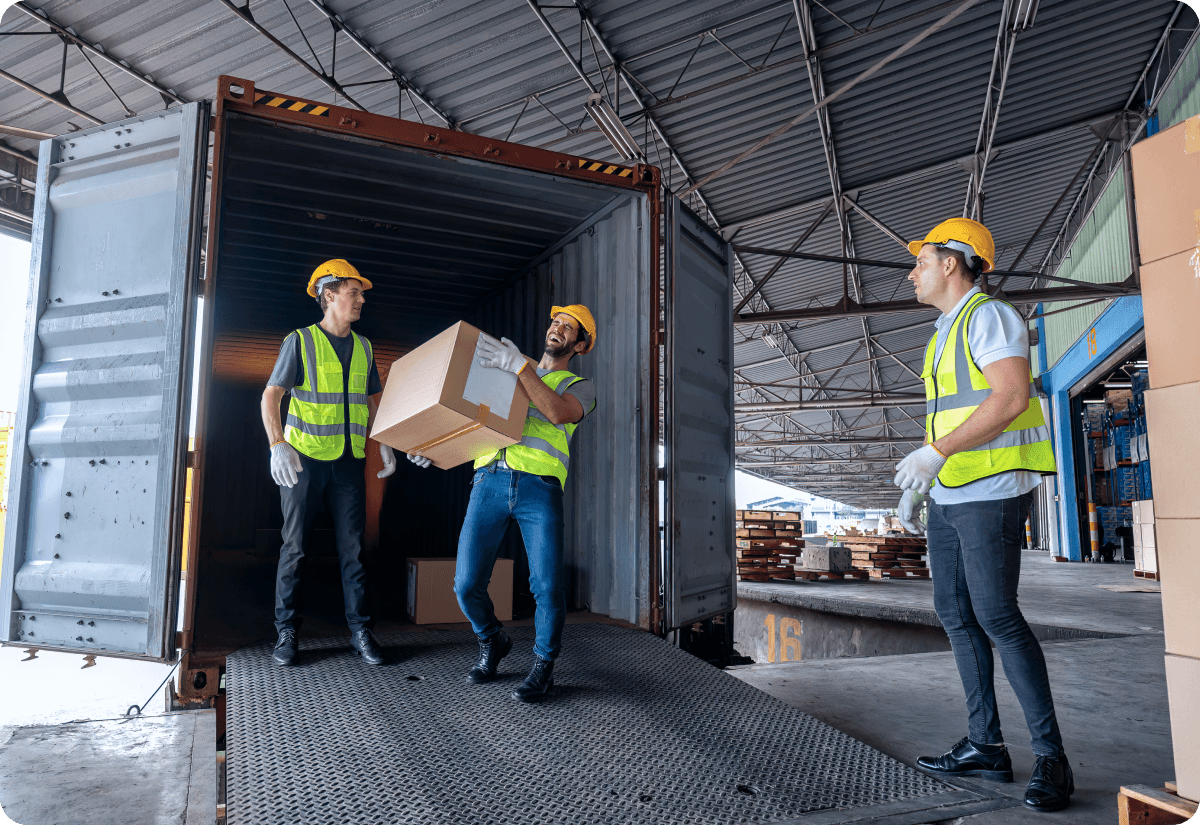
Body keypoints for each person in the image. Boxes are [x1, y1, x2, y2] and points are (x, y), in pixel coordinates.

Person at [894, 219, 1070, 812]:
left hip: (991, 489)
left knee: (996, 614)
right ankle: (986, 744)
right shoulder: (942, 334)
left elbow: (1011, 397)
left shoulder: (988, 317)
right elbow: (952, 415)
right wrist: (924, 483)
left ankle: (1052, 758)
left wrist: (935, 453)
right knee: (954, 612)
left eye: (922, 260)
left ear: (952, 263)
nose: (913, 270)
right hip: (952, 492)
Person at [408, 305, 598, 702]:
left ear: (580, 344)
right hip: (488, 481)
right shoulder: (506, 371)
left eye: (569, 327)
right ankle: (493, 640)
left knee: (546, 586)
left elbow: (558, 413)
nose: (558, 328)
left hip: (539, 489)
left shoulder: (579, 385)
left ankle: (543, 667)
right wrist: (432, 447)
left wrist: (519, 369)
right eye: (556, 321)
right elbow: (470, 418)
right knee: (465, 584)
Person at [261, 259, 396, 668]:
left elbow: (373, 400)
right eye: (354, 292)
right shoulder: (300, 341)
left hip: (349, 463)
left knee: (354, 550)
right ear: (329, 295)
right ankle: (287, 632)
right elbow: (271, 396)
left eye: (361, 294)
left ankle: (361, 631)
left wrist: (384, 442)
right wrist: (277, 444)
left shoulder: (365, 346)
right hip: (302, 463)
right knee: (296, 547)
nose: (361, 300)